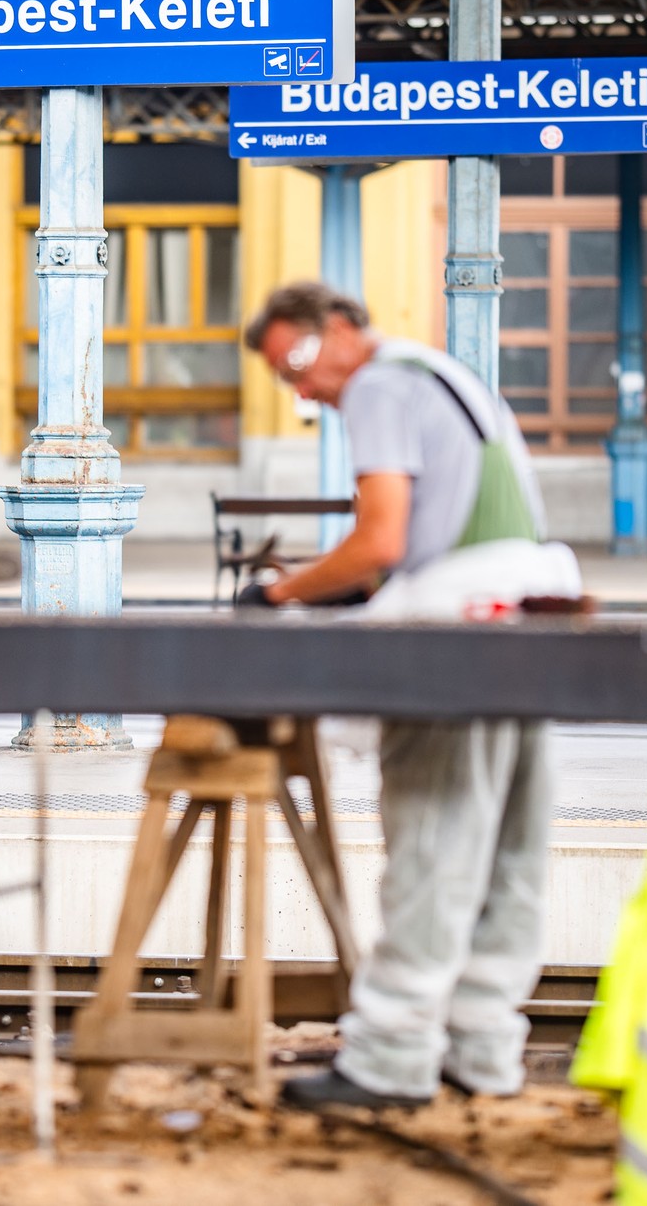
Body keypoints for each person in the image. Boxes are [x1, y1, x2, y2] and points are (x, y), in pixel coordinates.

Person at [239, 279, 580, 1110]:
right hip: (528, 612)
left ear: (343, 327)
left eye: (302, 361)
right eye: (286, 378)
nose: (306, 388)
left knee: (432, 840)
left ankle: (391, 1057)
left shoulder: (379, 387)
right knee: (508, 848)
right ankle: (481, 1047)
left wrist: (279, 594)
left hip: (453, 631)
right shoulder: (441, 372)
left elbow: (381, 538)